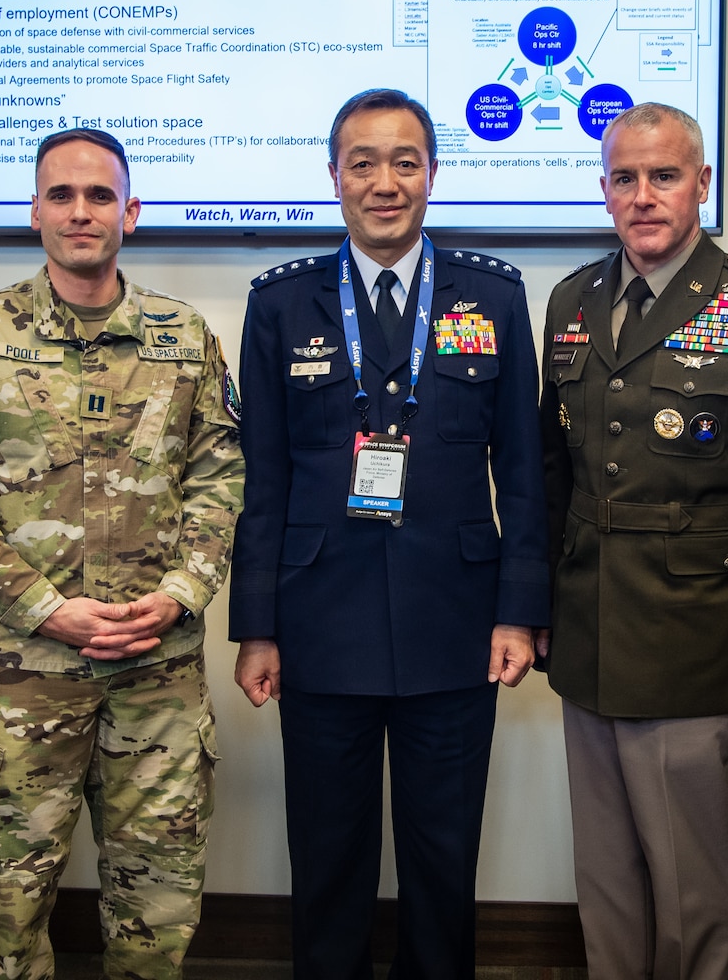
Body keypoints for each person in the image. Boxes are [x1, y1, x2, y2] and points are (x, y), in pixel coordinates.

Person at [0, 128, 244, 980]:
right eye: (61, 195)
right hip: (15, 682)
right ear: (34, 212)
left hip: (154, 672)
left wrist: (178, 593)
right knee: (7, 914)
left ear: (130, 211)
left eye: (99, 196)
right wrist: (48, 609)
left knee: (157, 911)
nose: (80, 212)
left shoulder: (185, 336)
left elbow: (222, 477)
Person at [229, 88, 549, 979]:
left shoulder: (493, 293)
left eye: (404, 162)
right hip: (318, 619)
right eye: (362, 163)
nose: (384, 182)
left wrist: (518, 612)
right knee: (328, 860)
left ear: (433, 175)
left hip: (455, 620)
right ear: (333, 177)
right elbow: (264, 477)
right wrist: (257, 624)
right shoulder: (281, 303)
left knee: (443, 861)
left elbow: (521, 472)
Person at [539, 102, 728, 980]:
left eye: (664, 176)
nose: (644, 197)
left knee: (690, 883)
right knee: (608, 881)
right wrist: (543, 610)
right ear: (604, 191)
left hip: (698, 641)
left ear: (701, 184)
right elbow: (556, 476)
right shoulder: (572, 301)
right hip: (590, 639)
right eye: (625, 179)